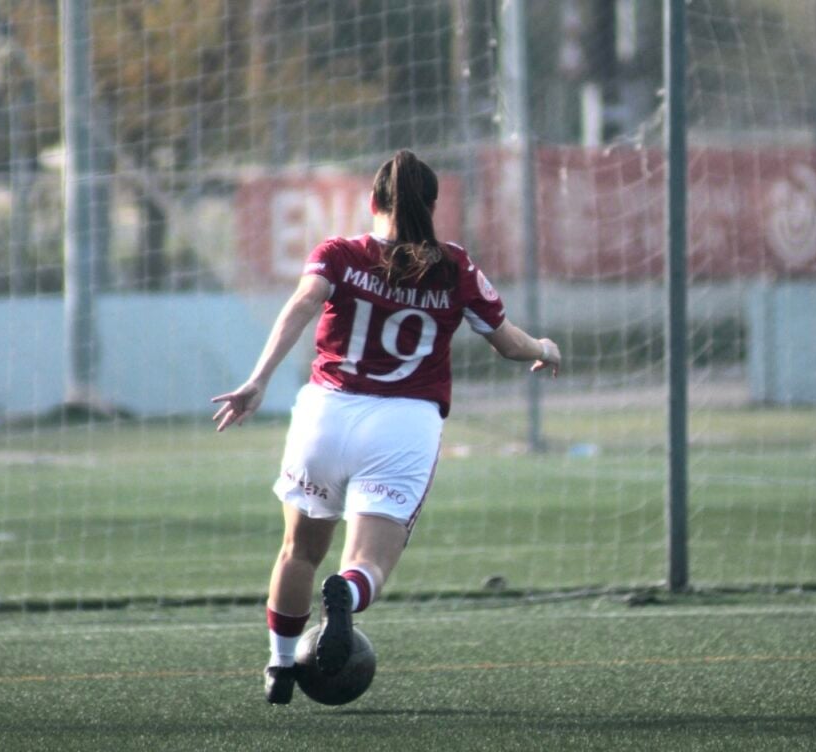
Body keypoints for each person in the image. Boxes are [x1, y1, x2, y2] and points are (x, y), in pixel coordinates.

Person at [212, 149, 560, 705]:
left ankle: (279, 667)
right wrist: (545, 347)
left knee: (298, 551)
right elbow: (508, 342)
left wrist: (257, 380)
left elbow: (302, 304)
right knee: (368, 562)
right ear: (433, 206)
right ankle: (346, 594)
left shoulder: (339, 254)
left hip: (326, 413)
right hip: (403, 423)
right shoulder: (456, 268)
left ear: (373, 201)